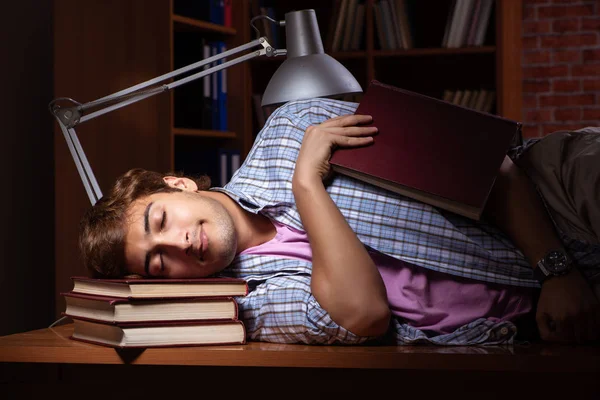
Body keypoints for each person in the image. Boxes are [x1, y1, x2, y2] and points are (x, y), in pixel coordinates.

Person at [79, 98, 600, 345]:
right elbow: (365, 314)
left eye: (160, 220)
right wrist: (308, 185)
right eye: (157, 263)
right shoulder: (251, 305)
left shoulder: (290, 131)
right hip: (536, 328)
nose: (177, 243)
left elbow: (488, 164)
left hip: (552, 198)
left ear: (178, 184)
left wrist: (557, 271)